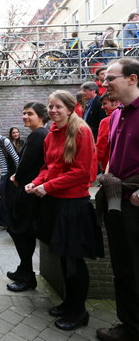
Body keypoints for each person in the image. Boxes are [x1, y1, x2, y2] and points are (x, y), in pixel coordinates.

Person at [25, 90, 103, 332]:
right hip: (56, 202)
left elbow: (80, 172)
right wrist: (37, 181)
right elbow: (49, 167)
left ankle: (78, 311)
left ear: (70, 108)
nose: (52, 111)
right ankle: (69, 302)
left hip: (73, 205)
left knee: (74, 261)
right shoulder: (51, 135)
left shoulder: (81, 131)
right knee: (62, 257)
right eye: (50, 107)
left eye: (58, 106)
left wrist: (47, 186)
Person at [95, 58, 139, 341]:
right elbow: (113, 155)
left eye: (111, 78)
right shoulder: (116, 116)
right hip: (117, 201)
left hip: (136, 203)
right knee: (122, 267)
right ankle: (129, 326)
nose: (105, 83)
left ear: (132, 79)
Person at [6, 102, 49, 292]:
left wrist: (17, 177)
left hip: (27, 192)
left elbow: (26, 164)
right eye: (23, 113)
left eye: (29, 113)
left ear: (41, 116)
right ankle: (23, 269)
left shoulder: (37, 135)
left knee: (20, 232)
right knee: (21, 232)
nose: (25, 117)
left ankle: (28, 275)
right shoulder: (41, 134)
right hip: (30, 189)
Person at [95, 92, 119, 172]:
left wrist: (98, 162)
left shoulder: (106, 122)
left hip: (109, 165)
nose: (102, 107)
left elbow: (101, 146)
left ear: (116, 102)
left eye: (105, 103)